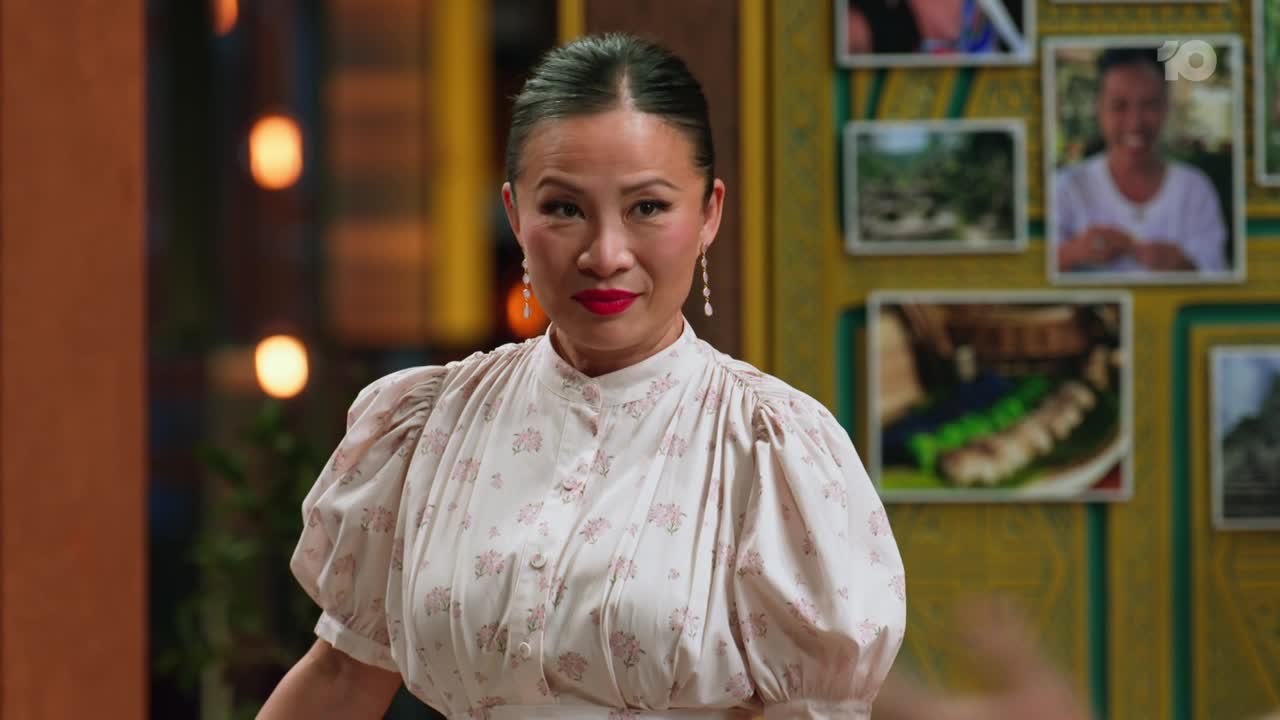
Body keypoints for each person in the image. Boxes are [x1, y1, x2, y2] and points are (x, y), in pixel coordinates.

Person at [259, 33, 905, 719]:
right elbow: (341, 675)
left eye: (647, 207)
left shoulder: (766, 448)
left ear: (709, 213)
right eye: (564, 208)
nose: (605, 254)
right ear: (515, 214)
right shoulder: (431, 425)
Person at [1053, 47, 1229, 277]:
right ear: (1099, 109)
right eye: (1119, 106)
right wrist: (1073, 252)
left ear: (1165, 108)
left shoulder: (1194, 189)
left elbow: (1218, 278)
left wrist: (1185, 267)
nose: (1135, 122)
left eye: (1149, 105)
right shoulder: (1067, 188)